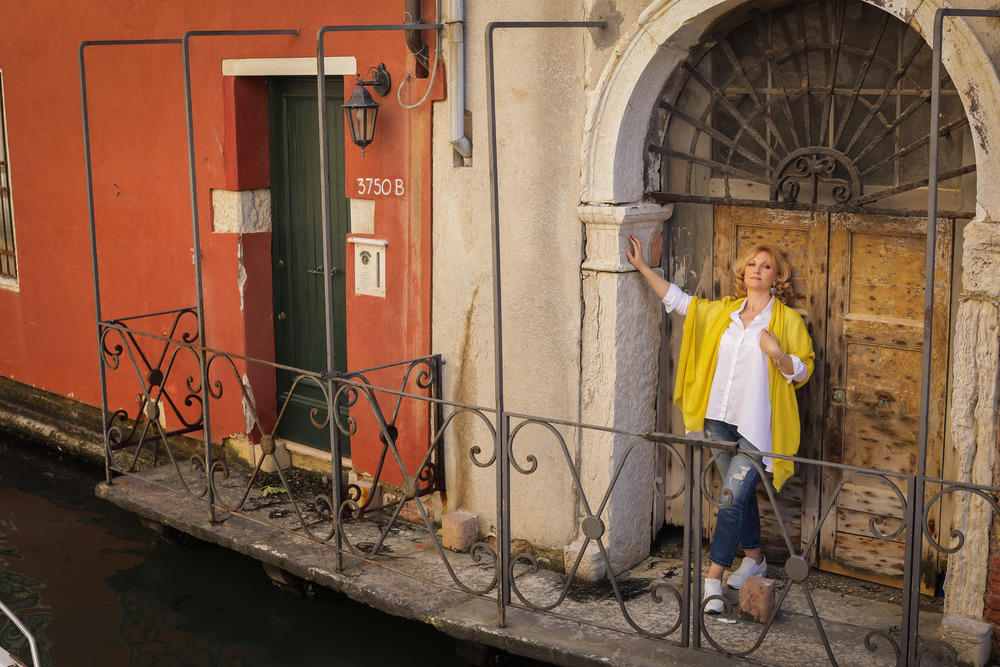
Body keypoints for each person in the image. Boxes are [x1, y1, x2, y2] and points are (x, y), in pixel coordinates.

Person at [626, 233, 814, 617]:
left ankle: (713, 577)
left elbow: (803, 370)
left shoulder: (787, 321)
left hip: (756, 427)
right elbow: (679, 301)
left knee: (729, 498)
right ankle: (755, 559)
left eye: (766, 266)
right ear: (743, 273)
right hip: (718, 421)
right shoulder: (723, 314)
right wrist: (643, 267)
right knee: (738, 498)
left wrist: (778, 353)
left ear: (777, 277)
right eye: (752, 264)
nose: (757, 270)